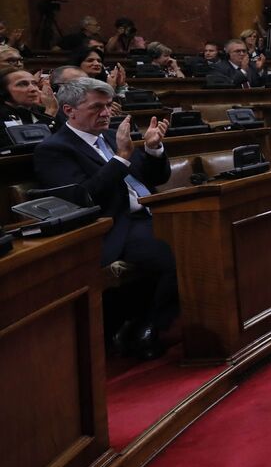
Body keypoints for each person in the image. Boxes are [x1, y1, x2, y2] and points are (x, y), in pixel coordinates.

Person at [35, 78, 176, 359]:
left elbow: (154, 178)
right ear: (69, 110)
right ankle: (146, 328)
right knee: (174, 252)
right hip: (114, 227)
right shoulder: (54, 149)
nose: (106, 113)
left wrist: (152, 149)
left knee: (205, 233)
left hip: (152, 214)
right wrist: (121, 158)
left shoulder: (111, 137)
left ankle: (155, 321)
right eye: (96, 107)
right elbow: (83, 198)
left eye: (108, 106)